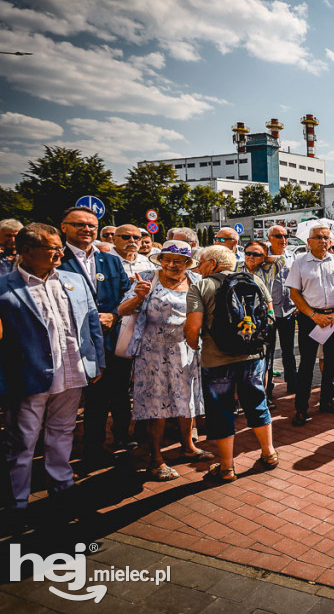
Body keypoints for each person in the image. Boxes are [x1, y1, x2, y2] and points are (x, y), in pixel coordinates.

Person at [0, 223, 104, 513]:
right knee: (22, 441)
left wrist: (97, 363)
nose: (60, 253)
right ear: (26, 251)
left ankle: (62, 486)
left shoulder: (72, 279)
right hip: (28, 377)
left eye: (60, 247)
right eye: (52, 248)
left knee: (63, 431)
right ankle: (17, 501)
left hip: (73, 370)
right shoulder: (5, 288)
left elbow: (91, 321)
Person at [184, 245, 278, 483]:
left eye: (201, 263)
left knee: (222, 411)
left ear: (213, 264)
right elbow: (269, 317)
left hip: (217, 359)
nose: (198, 268)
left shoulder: (201, 286)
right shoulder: (254, 280)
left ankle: (226, 468)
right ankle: (269, 454)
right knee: (257, 403)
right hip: (252, 356)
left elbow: (193, 327)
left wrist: (194, 345)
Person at [118, 241, 210, 480]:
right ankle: (156, 459)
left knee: (186, 399)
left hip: (185, 349)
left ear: (188, 263)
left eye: (177, 260)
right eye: (166, 259)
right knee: (156, 405)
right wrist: (138, 296)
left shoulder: (195, 281)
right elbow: (122, 310)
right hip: (152, 351)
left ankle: (188, 446)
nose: (171, 264)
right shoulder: (148, 277)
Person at [58, 206, 134, 463]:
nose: (86, 229)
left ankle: (123, 437)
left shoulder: (110, 260)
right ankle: (92, 449)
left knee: (120, 393)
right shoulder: (57, 260)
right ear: (64, 227)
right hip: (77, 341)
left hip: (112, 339)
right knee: (93, 400)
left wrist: (114, 314)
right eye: (79, 224)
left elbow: (127, 294)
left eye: (91, 225)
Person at [285, 225, 334, 425]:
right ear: (308, 241)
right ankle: (301, 408)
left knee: (332, 362)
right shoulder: (300, 263)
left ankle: (327, 401)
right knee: (307, 365)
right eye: (318, 237)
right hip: (311, 320)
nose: (323, 241)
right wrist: (313, 315)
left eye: (326, 238)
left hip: (333, 318)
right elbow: (294, 293)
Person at [239, 240, 285, 407]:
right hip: (240, 320)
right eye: (248, 253)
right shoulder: (236, 268)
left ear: (264, 256)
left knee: (265, 361)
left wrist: (266, 258)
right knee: (240, 359)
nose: (251, 257)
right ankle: (238, 400)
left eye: (256, 254)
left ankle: (264, 397)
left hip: (263, 320)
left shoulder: (268, 269)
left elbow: (282, 259)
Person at [266, 224, 297, 395]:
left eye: (286, 236)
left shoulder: (292, 256)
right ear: (269, 238)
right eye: (278, 236)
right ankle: (268, 388)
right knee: (268, 352)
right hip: (269, 311)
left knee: (289, 350)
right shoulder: (262, 255)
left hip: (288, 309)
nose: (283, 240)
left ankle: (292, 383)